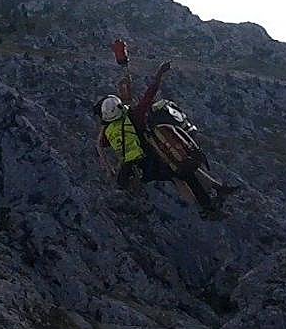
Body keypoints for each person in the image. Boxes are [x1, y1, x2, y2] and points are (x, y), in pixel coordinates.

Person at [93, 61, 230, 218]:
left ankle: (214, 193)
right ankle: (207, 208)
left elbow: (102, 144)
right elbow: (149, 95)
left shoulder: (109, 131)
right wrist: (159, 74)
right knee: (185, 173)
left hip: (141, 167)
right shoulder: (135, 115)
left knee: (181, 175)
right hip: (154, 159)